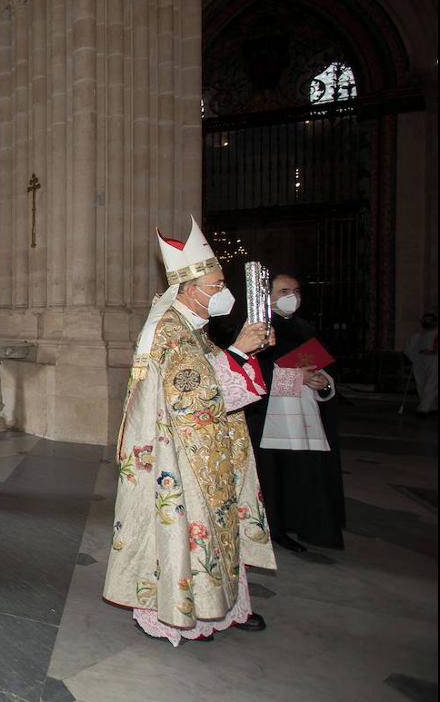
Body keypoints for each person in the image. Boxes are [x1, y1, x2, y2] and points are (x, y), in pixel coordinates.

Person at [103, 217, 276, 646]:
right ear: (189, 289)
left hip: (204, 448)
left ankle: (220, 606)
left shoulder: (193, 329)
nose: (223, 293)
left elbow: (218, 374)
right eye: (217, 286)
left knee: (217, 523)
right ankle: (176, 613)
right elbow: (189, 393)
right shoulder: (168, 330)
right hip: (177, 455)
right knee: (187, 525)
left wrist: (243, 351)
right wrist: (238, 349)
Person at [244, 274, 345, 551]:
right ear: (269, 295)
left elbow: (320, 368)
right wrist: (296, 377)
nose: (292, 296)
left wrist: (323, 381)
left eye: (296, 291)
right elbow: (251, 375)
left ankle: (305, 524)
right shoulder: (256, 330)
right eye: (284, 290)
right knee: (272, 474)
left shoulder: (305, 329)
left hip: (305, 415)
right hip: (268, 417)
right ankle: (273, 527)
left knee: (303, 472)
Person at [405, 312, 437, 416]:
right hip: (420, 363)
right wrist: (415, 357)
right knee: (421, 385)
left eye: (429, 320)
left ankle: (424, 408)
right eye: (424, 320)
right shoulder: (417, 336)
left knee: (431, 385)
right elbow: (409, 350)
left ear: (434, 322)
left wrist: (433, 353)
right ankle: (432, 406)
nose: (426, 322)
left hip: (434, 363)